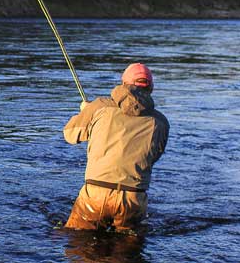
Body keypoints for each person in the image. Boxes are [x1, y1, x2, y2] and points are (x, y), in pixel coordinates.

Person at [63, 63, 169, 232]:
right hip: (134, 198)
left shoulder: (100, 106)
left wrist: (84, 112)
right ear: (151, 88)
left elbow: (70, 135)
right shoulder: (161, 122)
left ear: (123, 83)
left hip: (96, 194)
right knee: (127, 254)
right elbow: (153, 156)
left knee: (79, 245)